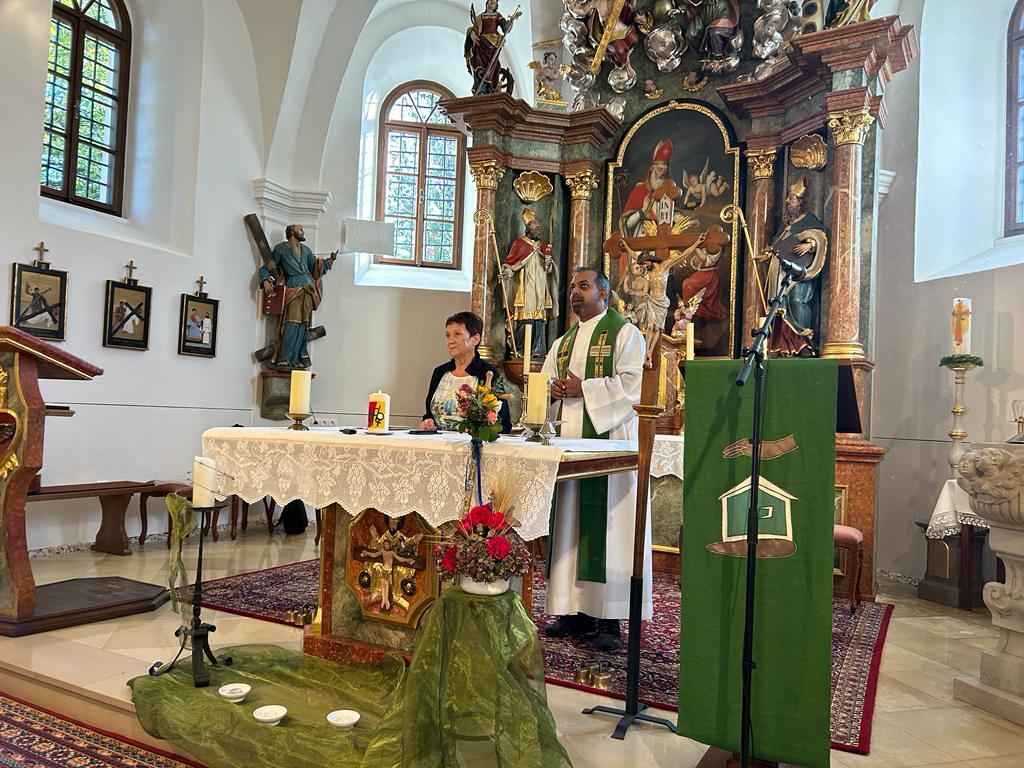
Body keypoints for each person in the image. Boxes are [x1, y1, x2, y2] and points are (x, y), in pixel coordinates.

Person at [541, 266, 650, 652]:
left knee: (611, 529)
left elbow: (632, 387)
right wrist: (553, 390)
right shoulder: (563, 343)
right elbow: (545, 383)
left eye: (583, 286)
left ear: (603, 293)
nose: (575, 292)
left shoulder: (625, 334)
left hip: (609, 450)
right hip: (569, 446)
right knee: (570, 525)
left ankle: (608, 618)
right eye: (573, 286)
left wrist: (582, 388)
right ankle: (572, 610)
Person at [754, 176, 827, 356]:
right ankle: (785, 345)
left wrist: (810, 244)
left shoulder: (810, 220)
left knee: (797, 301)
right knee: (780, 304)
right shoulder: (786, 225)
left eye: (791, 198)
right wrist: (767, 255)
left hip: (800, 273)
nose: (787, 201)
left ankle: (804, 342)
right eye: (788, 198)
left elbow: (820, 237)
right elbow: (777, 245)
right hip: (782, 273)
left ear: (801, 202)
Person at [259, 224, 337, 369]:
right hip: (293, 288)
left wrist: (328, 262)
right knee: (291, 322)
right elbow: (268, 267)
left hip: (308, 290)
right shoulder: (281, 249)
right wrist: (265, 279)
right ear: (291, 232)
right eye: (300, 230)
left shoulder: (306, 250)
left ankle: (296, 359)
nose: (303, 232)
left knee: (303, 325)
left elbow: (315, 270)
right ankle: (284, 357)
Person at [420, 311, 512, 432]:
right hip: (440, 442)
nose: (450, 340)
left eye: (457, 334)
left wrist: (479, 430)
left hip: (472, 442)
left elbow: (504, 424)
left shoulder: (488, 373)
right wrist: (428, 422)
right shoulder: (439, 372)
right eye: (447, 335)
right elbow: (429, 414)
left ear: (475, 339)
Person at [501, 209, 559, 359]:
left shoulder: (544, 247)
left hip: (540, 287)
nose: (538, 226)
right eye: (534, 224)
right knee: (524, 317)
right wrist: (507, 272)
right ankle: (520, 349)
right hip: (525, 287)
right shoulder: (519, 244)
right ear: (528, 227)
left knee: (539, 319)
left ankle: (538, 350)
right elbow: (511, 264)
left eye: (538, 224)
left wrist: (549, 263)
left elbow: (550, 271)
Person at [464, 0, 520, 94]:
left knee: (491, 66)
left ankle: (488, 88)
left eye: (494, 2)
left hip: (493, 43)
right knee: (476, 62)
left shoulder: (497, 16)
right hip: (480, 42)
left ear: (496, 6)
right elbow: (474, 28)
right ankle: (480, 87)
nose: (491, 3)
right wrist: (472, 33)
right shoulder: (480, 17)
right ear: (486, 3)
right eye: (490, 1)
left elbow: (506, 29)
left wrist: (512, 20)